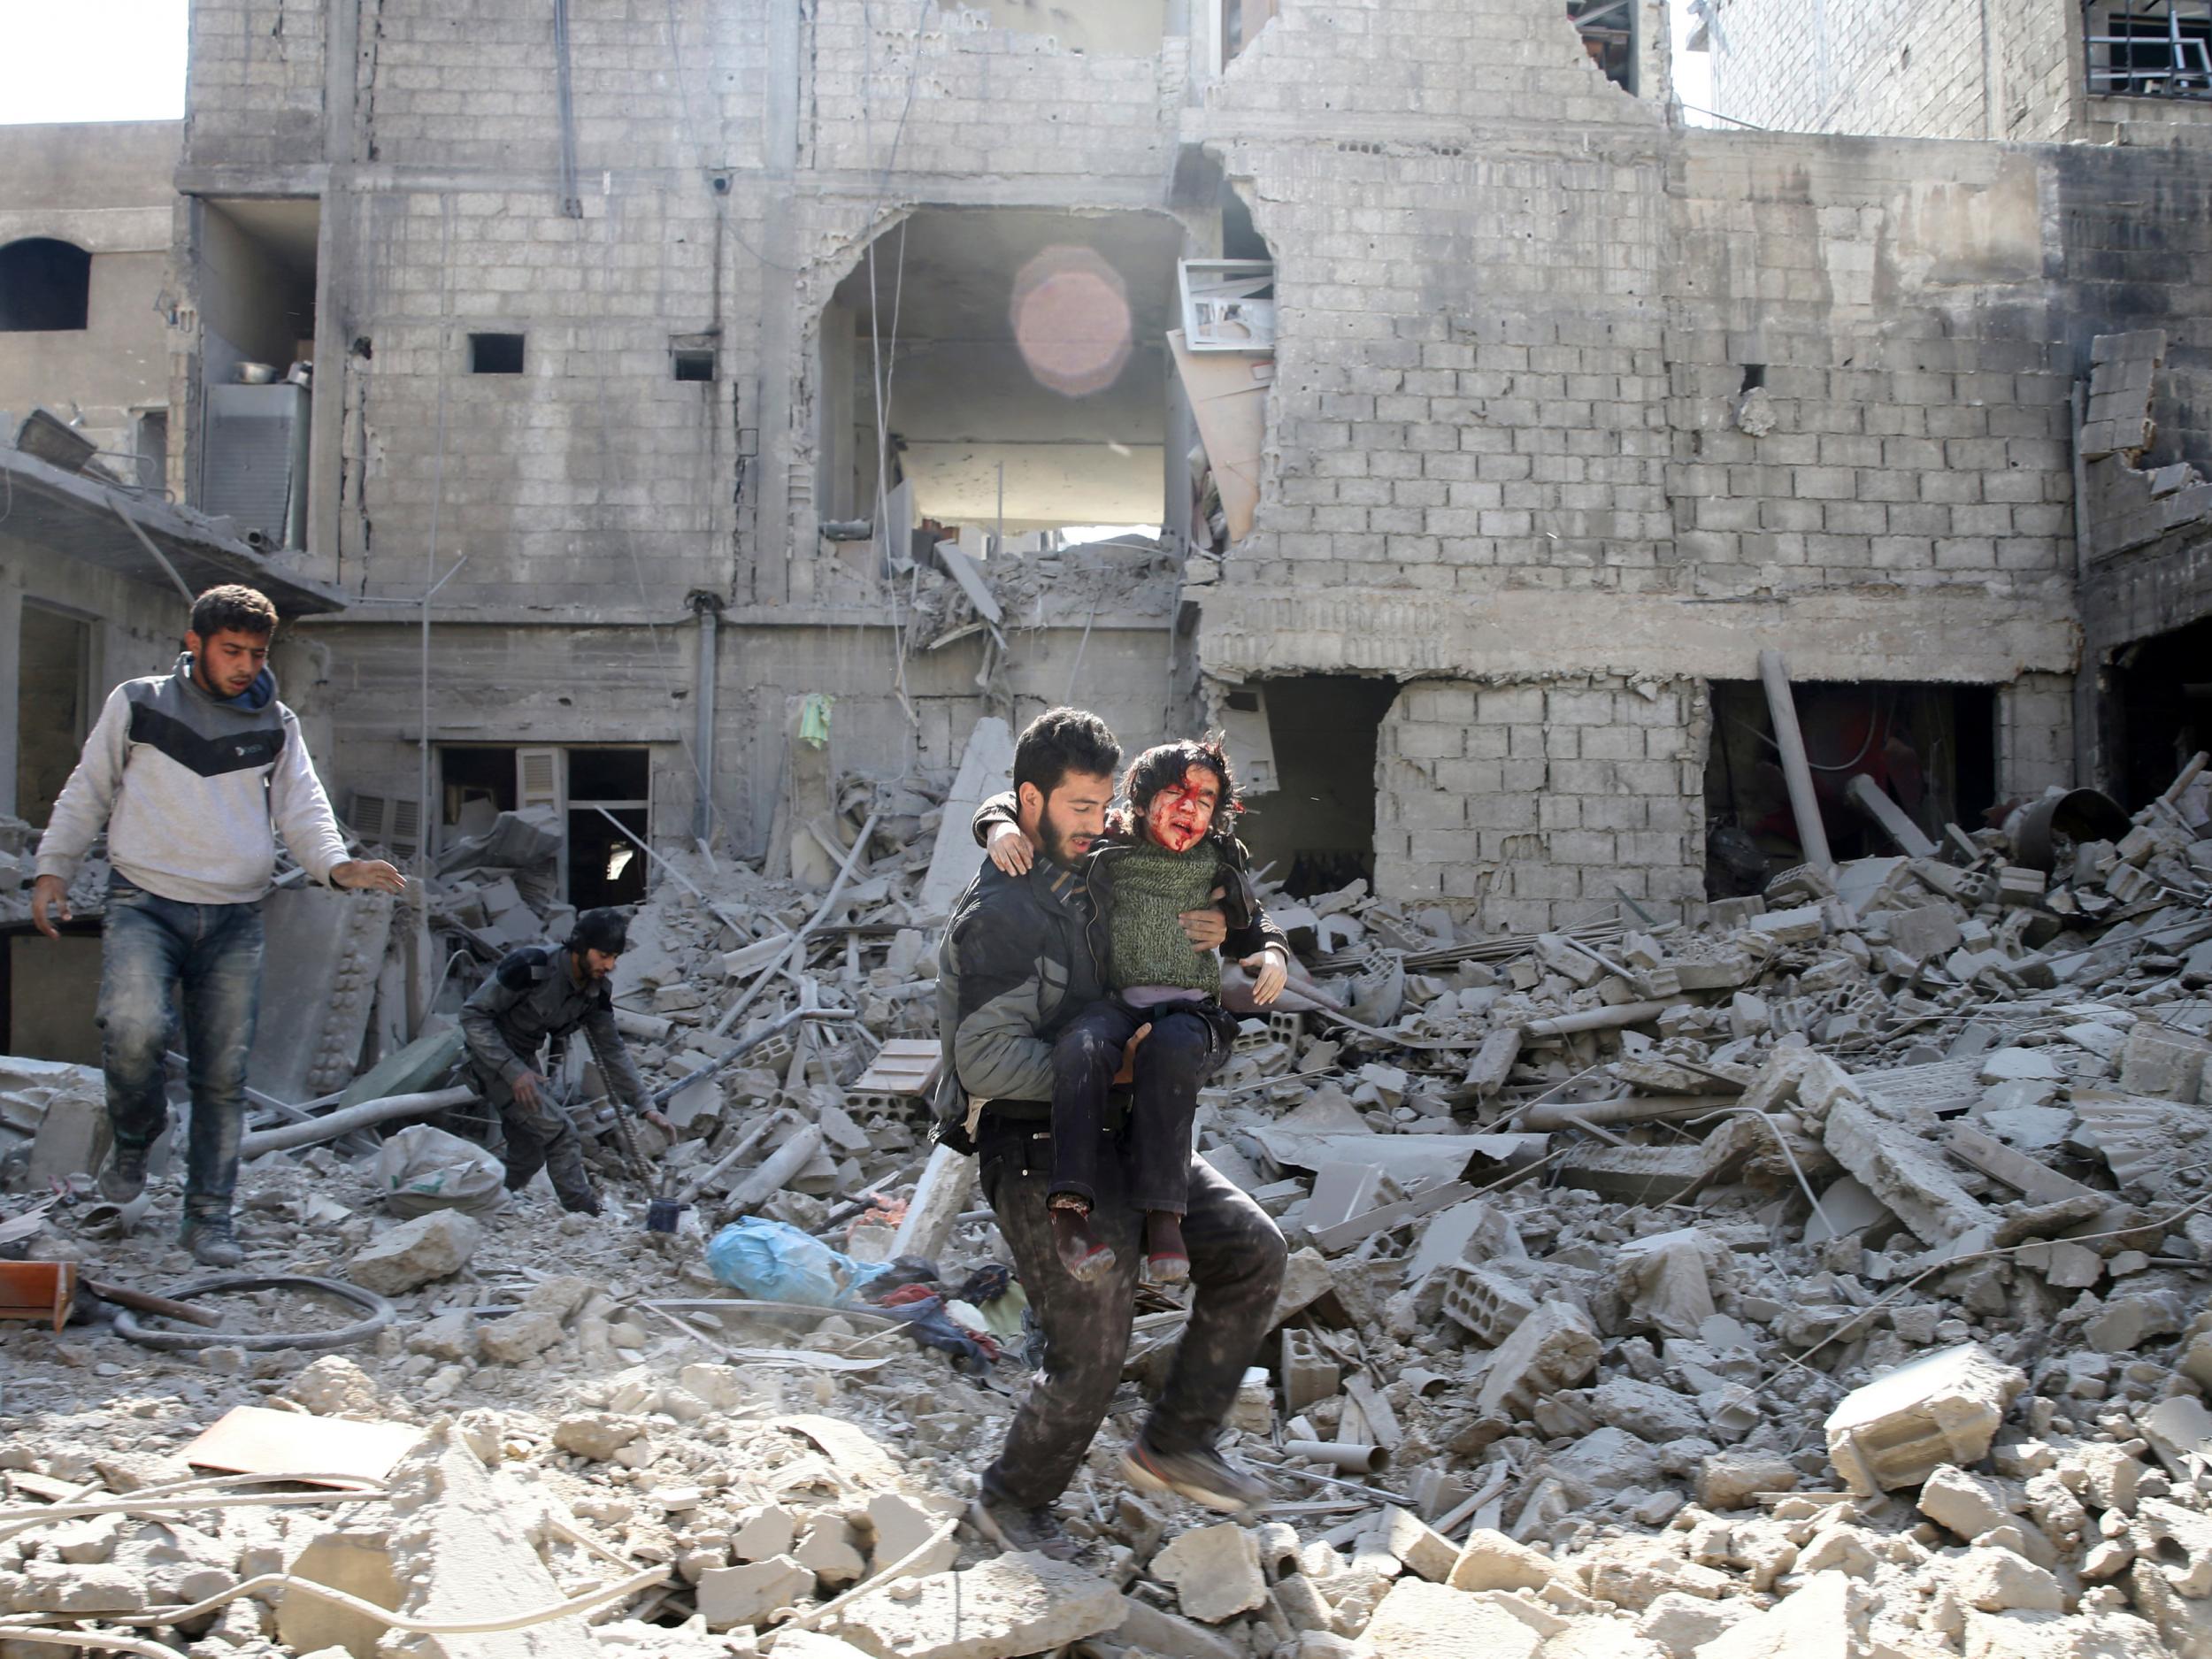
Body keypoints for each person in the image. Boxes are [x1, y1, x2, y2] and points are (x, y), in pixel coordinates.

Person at [935, 708, 1289, 1560]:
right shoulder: (1000, 916)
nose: (1101, 826)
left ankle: (1177, 1440)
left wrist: (1245, 943)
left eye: (1104, 808)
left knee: (1252, 1249)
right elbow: (984, 1062)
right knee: (1093, 1339)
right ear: (1033, 801)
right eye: (1082, 810)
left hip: (1127, 1128)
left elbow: (1219, 903)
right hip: (1036, 1146)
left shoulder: (1099, 866)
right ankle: (1007, 1505)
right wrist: (1122, 1066)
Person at [30, 584, 408, 1265]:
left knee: (222, 1076)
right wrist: (53, 867)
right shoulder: (138, 704)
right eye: (231, 650)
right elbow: (88, 787)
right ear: (193, 642)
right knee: (132, 1029)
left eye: (255, 653)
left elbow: (304, 809)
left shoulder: (277, 722)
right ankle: (139, 1136)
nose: (243, 665)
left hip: (235, 916)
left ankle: (209, 1217)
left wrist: (335, 866)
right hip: (144, 900)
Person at [1034, 739, 1290, 1286]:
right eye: (1175, 793)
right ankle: (1069, 1211)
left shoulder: (1220, 856)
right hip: (1116, 1003)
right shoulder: (1106, 846)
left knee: (1169, 1051)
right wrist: (997, 827)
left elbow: (1255, 921)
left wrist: (1272, 951)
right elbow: (1027, 812)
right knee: (1080, 1047)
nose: (1189, 807)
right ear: (1143, 798)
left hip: (1193, 1012)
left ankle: (1164, 1213)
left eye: (1204, 797)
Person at [457, 906, 666, 1215]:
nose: (609, 965)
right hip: (491, 1058)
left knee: (528, 1154)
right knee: (560, 1131)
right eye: (603, 955)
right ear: (581, 946)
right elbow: (473, 1015)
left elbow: (612, 1050)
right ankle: (584, 1214)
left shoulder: (595, 991)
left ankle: (474, 1205)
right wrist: (512, 1070)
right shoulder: (532, 965)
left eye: (614, 958)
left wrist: (645, 1105)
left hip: (524, 1061)